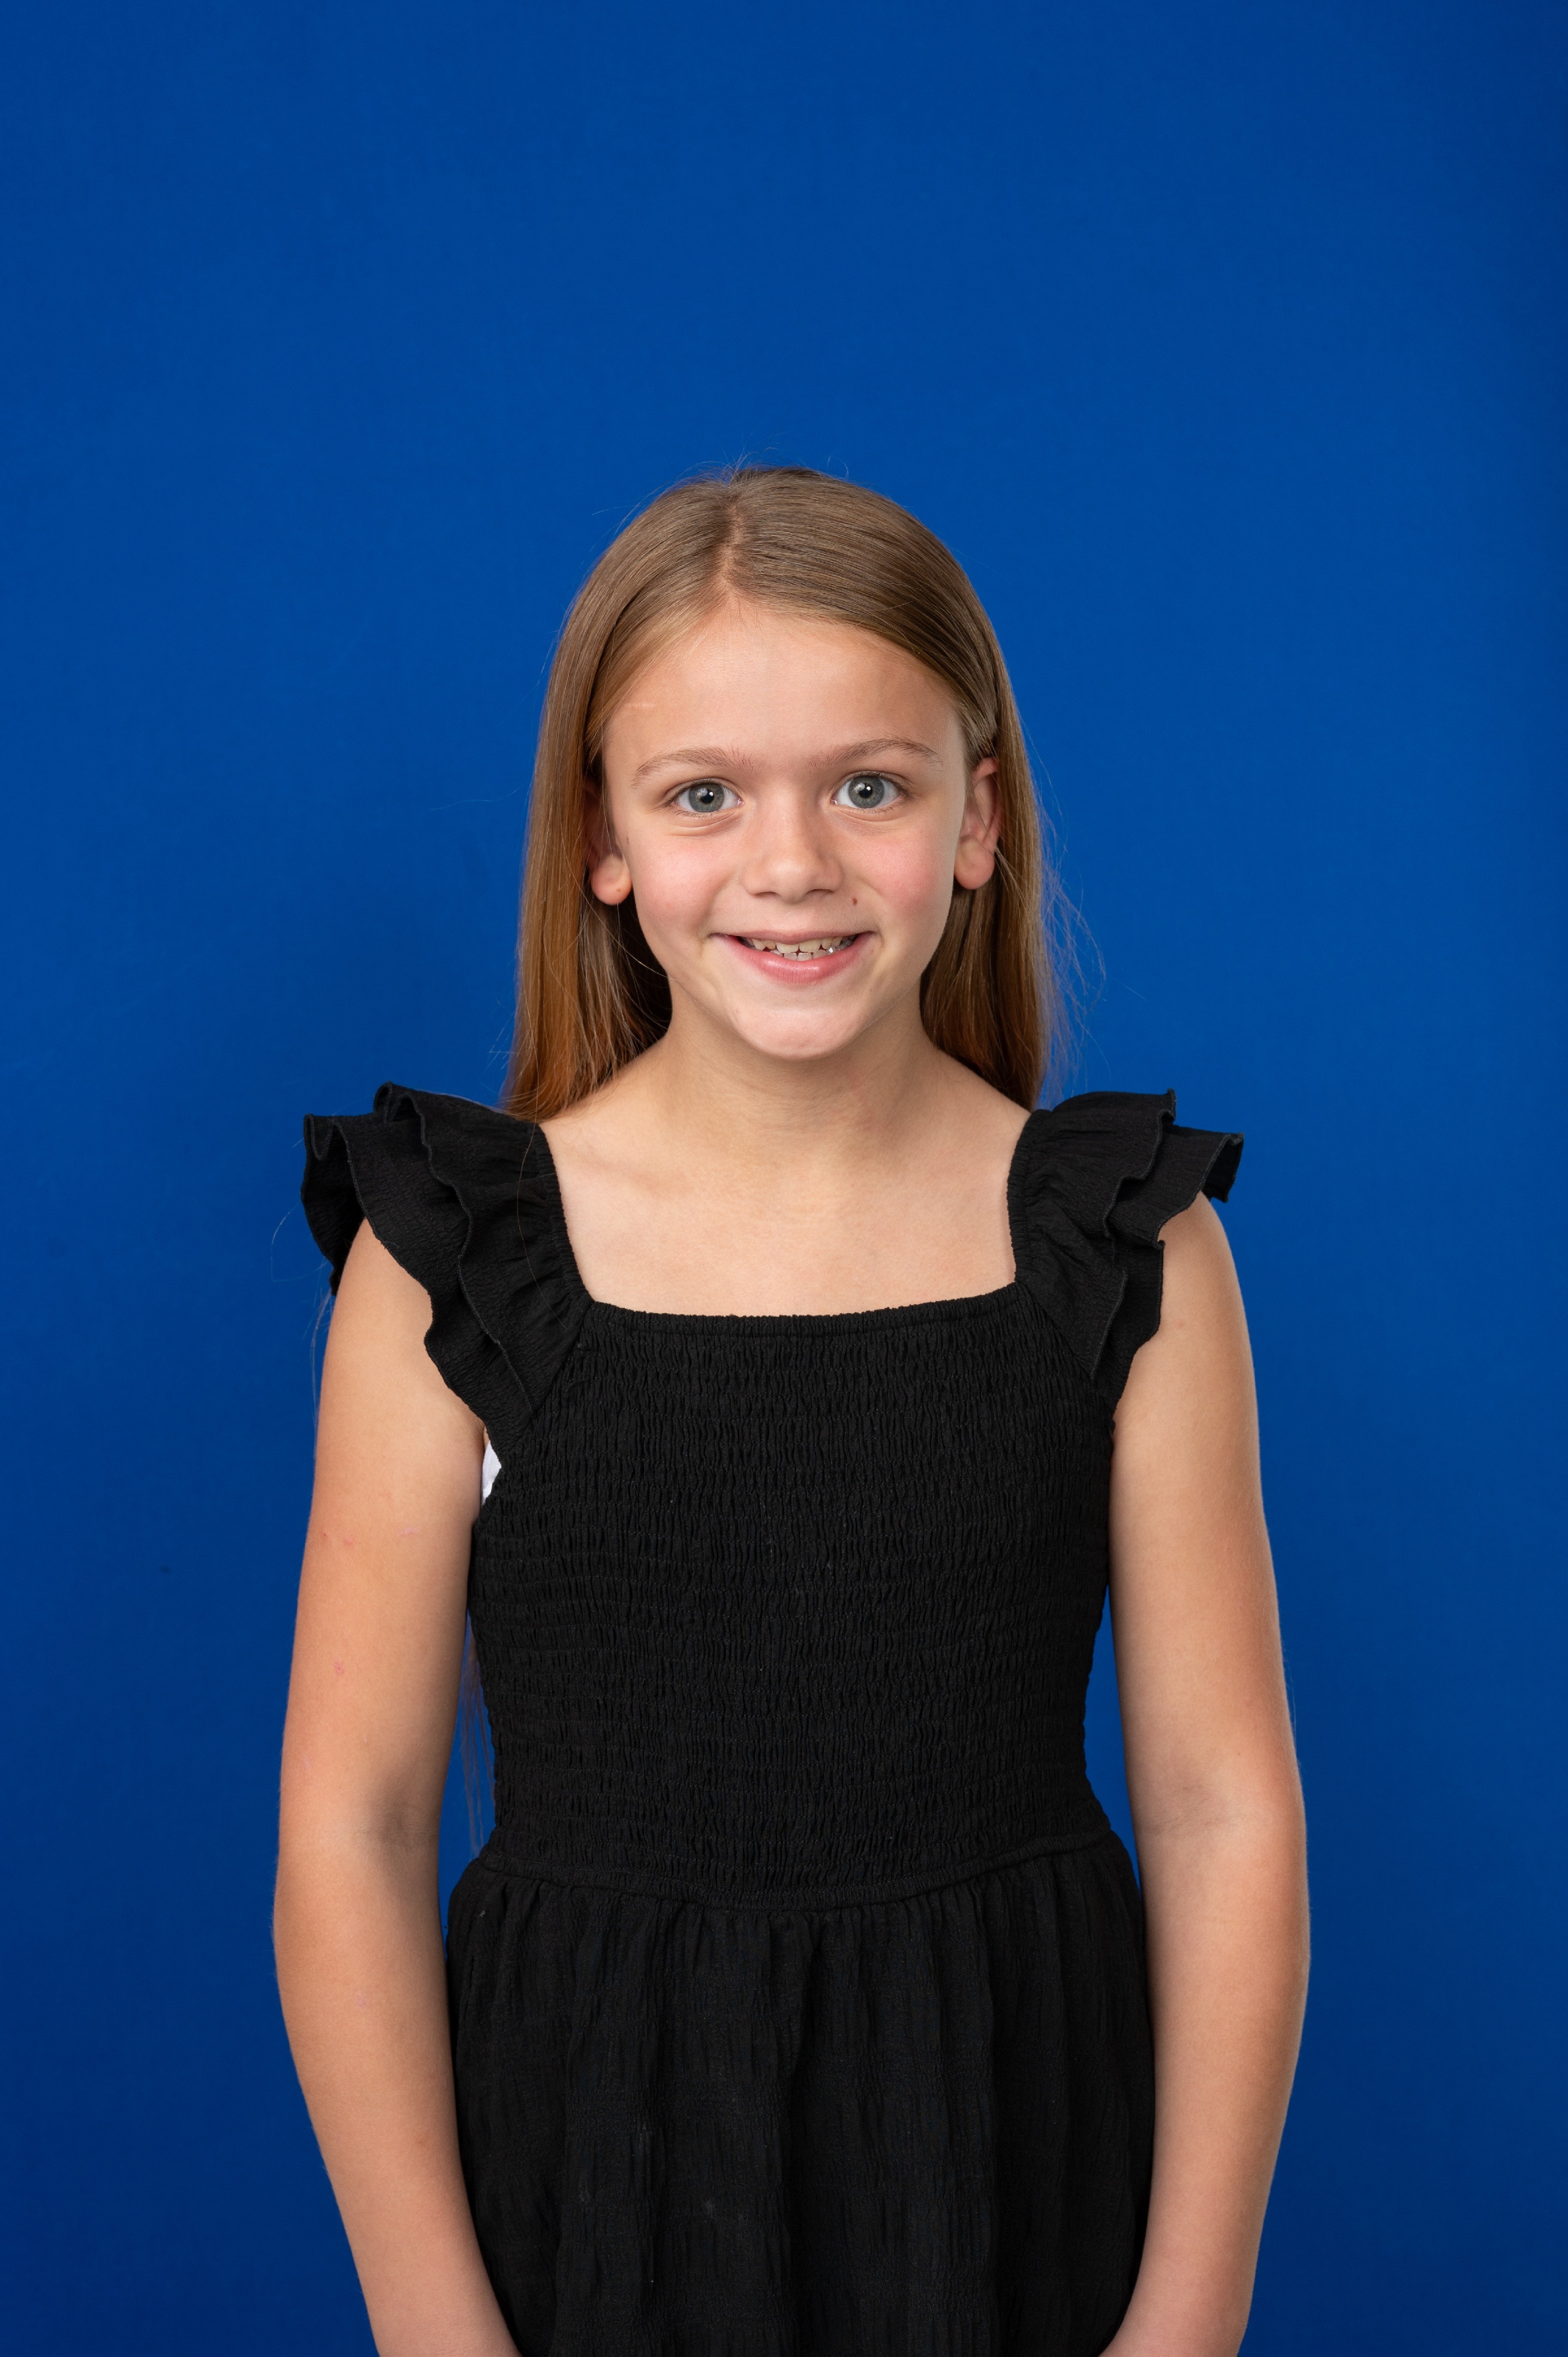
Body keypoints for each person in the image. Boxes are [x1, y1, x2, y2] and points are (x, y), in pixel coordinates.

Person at [274, 465, 1309, 2357]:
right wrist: (437, 2331)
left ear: (977, 820)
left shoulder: (1128, 1245)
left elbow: (1221, 1803)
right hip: (585, 2169)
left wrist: (1187, 2316)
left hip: (1010, 2152)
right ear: (602, 836)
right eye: (704, 795)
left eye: (869, 787)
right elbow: (355, 1820)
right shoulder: (454, 1260)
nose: (792, 864)